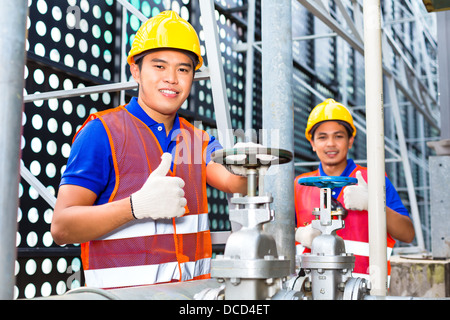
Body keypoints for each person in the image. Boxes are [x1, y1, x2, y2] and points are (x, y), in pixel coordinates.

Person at [51, 11, 247, 289]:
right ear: (135, 70)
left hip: (191, 299)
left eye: (183, 69)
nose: (172, 78)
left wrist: (248, 163)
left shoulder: (196, 140)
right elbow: (62, 228)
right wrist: (135, 207)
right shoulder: (102, 132)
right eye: (159, 66)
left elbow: (231, 180)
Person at [294, 98, 415, 280]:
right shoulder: (299, 185)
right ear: (312, 143)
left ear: (350, 141)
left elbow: (407, 234)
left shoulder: (373, 180)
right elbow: (276, 234)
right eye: (322, 137)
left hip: (365, 289)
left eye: (339, 136)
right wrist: (298, 233)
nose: (330, 144)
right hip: (311, 289)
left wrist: (372, 204)